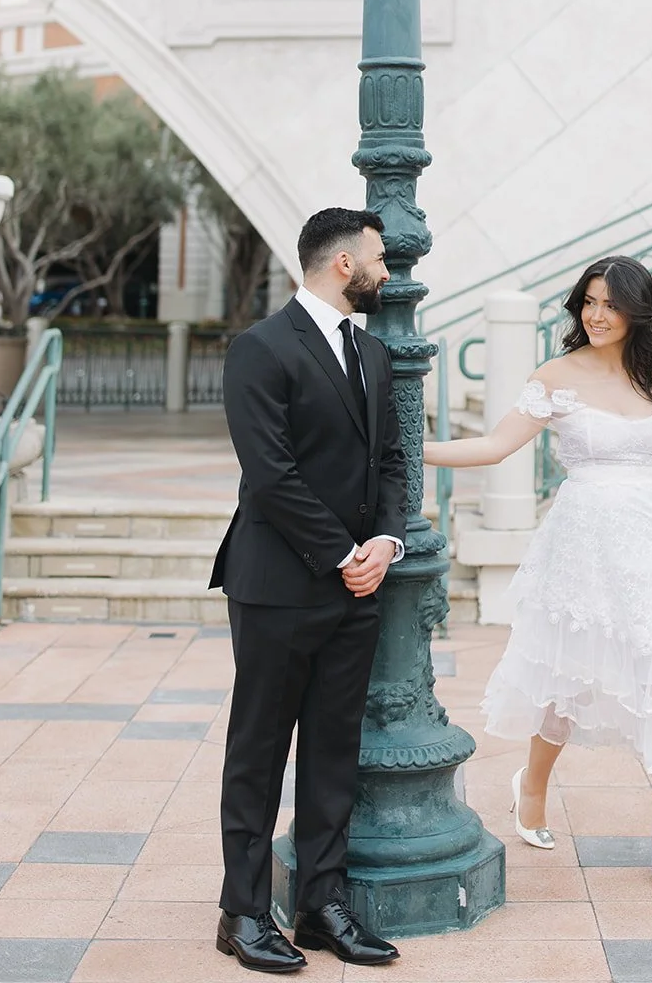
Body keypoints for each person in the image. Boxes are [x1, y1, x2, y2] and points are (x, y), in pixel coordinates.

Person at [424, 255, 652, 888]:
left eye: (611, 304)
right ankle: (531, 785)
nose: (597, 314)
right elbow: (495, 446)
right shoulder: (556, 375)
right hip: (582, 543)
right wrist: (409, 447)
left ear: (638, 311)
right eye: (589, 301)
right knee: (569, 674)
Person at [210, 207, 408, 971]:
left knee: (333, 751)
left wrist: (384, 543)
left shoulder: (373, 353)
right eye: (379, 257)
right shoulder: (258, 349)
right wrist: (342, 554)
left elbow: (391, 460)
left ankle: (322, 906)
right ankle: (242, 913)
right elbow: (271, 475)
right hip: (276, 585)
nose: (387, 269)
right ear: (342, 265)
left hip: (357, 586)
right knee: (258, 753)